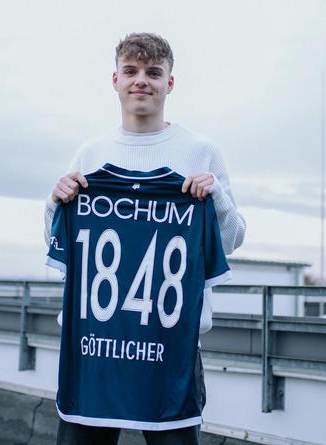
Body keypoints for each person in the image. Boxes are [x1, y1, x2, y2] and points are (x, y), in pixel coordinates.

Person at [44, 32, 246, 445]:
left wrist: (217, 198)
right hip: (95, 344)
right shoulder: (91, 152)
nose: (142, 80)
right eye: (131, 71)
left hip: (170, 345)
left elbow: (231, 241)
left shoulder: (201, 150)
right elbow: (60, 242)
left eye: (153, 73)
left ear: (169, 82)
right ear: (115, 80)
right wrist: (55, 201)